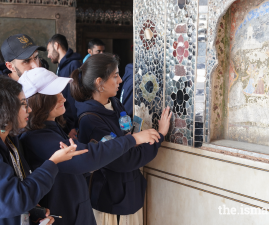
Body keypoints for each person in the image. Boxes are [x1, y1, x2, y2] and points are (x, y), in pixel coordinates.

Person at [18, 67, 161, 225]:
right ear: (39, 102)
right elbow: (85, 158)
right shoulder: (37, 137)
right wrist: (132, 140)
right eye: (56, 95)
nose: (63, 98)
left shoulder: (51, 128)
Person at [70, 53, 172, 225]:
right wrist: (160, 135)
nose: (121, 81)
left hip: (128, 193)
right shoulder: (91, 120)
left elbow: (127, 133)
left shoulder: (114, 103)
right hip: (112, 200)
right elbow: (125, 159)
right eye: (115, 76)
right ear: (99, 82)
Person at [0, 75, 88, 225]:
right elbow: (11, 201)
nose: (30, 109)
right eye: (22, 104)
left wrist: (31, 211)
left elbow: (17, 190)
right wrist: (52, 163)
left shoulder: (8, 137)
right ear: (3, 109)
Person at [47, 34, 82, 138]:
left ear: (56, 45)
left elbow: (75, 97)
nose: (48, 55)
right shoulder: (61, 67)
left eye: (49, 50)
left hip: (73, 125)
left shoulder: (74, 65)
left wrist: (72, 125)